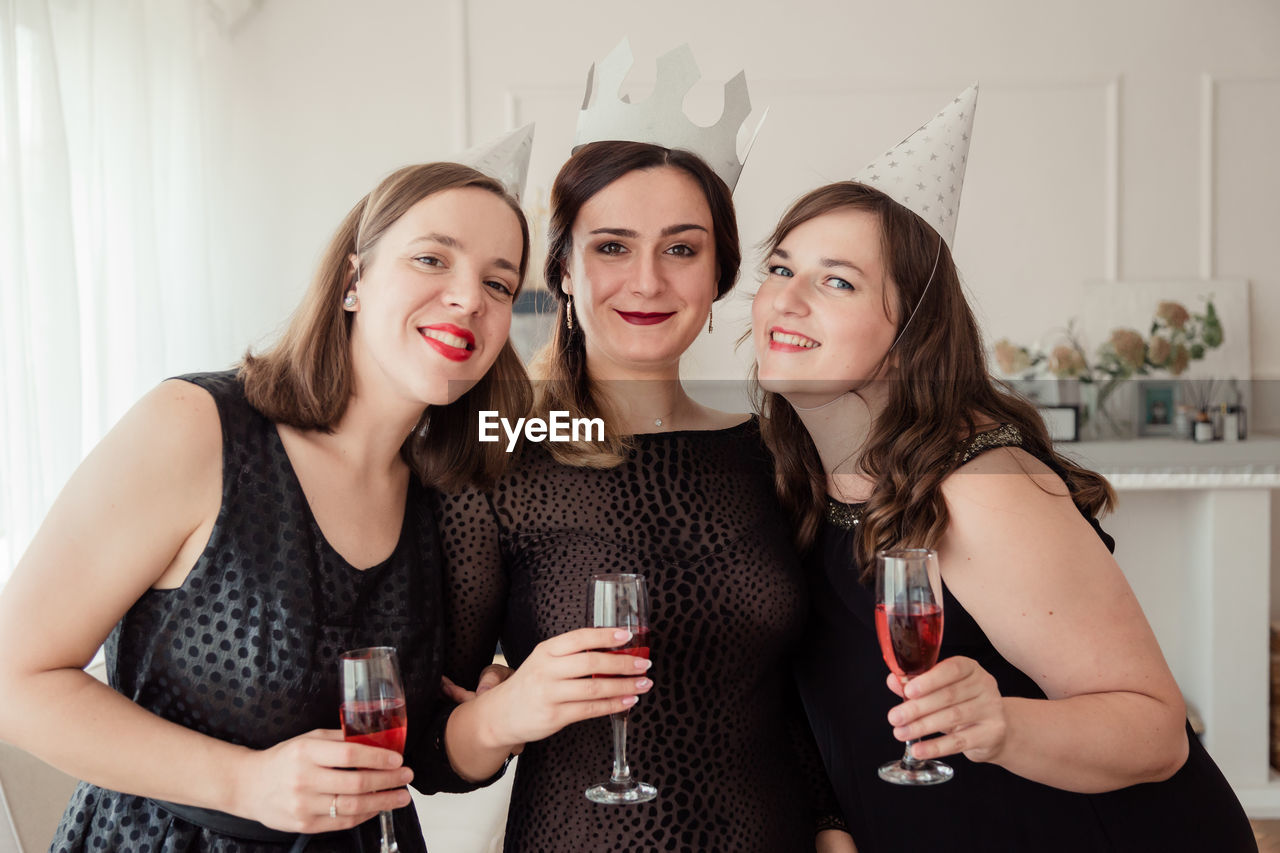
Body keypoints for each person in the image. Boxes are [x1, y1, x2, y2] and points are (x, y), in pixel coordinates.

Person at [0, 161, 649, 853]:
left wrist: (502, 712)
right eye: (432, 259)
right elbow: (15, 678)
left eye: (497, 283)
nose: (468, 299)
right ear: (353, 281)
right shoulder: (195, 428)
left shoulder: (448, 497)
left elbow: (425, 757)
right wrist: (243, 781)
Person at [751, 87, 1255, 852]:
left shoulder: (979, 488)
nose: (786, 299)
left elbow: (1155, 731)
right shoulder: (792, 476)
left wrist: (1004, 722)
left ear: (910, 331)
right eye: (781, 267)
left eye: (837, 280)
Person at [434, 44, 848, 851]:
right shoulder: (501, 451)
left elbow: (800, 693)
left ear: (722, 270)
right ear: (561, 267)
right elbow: (436, 749)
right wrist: (503, 713)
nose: (649, 282)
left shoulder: (774, 449)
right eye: (612, 246)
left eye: (682, 248)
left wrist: (832, 828)